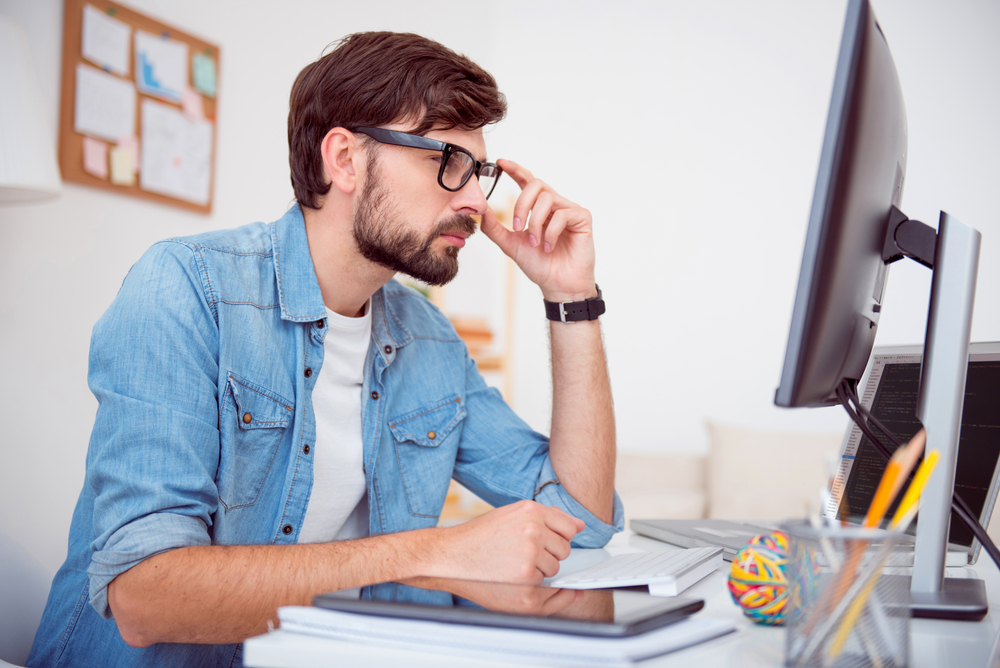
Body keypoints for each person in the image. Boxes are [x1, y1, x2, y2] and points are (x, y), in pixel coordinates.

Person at [28, 31, 621, 667]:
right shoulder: (187, 291)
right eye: (448, 159)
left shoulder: (429, 341)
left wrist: (571, 296)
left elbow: (580, 515)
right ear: (343, 159)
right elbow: (146, 596)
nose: (476, 200)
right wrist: (436, 553)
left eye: (479, 172)